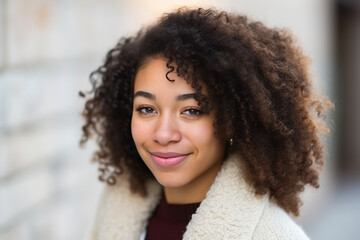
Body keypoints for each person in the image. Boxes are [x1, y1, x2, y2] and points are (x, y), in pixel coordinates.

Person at [80, 7, 332, 240]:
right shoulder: (113, 217)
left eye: (191, 110)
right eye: (146, 109)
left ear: (232, 121)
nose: (164, 134)